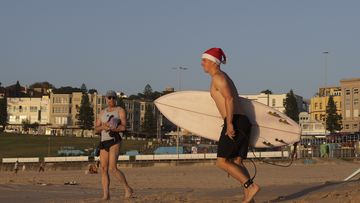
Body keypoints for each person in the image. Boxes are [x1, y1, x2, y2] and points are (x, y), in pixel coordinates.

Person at [201, 48, 260, 202]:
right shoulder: (223, 77)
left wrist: (229, 123)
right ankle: (250, 196)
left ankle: (250, 186)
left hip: (235, 121)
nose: (202, 63)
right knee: (236, 162)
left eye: (204, 60)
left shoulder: (218, 78)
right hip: (242, 121)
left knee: (221, 162)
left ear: (213, 62)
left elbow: (229, 99)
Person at [95, 90, 133, 200]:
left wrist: (112, 127)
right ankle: (106, 195)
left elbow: (123, 127)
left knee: (112, 168)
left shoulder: (120, 110)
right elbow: (95, 129)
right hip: (104, 141)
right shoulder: (102, 112)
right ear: (106, 99)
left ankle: (127, 188)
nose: (111, 99)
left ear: (115, 99)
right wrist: (103, 127)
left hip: (115, 140)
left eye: (113, 97)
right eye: (109, 97)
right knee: (103, 168)